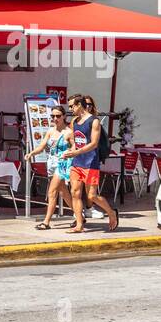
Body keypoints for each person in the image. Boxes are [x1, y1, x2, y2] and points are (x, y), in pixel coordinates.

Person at [59, 94, 118, 233]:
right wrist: (70, 151)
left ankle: (111, 212)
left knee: (91, 196)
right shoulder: (74, 121)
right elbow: (75, 142)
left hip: (90, 162)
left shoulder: (94, 121)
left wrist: (76, 152)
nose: (71, 109)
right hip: (76, 162)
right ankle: (79, 225)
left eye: (72, 106)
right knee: (75, 193)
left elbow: (93, 144)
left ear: (79, 105)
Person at [24, 105, 73, 229]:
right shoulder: (51, 131)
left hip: (62, 164)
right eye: (53, 116)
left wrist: (68, 153)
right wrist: (31, 153)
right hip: (51, 163)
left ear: (64, 116)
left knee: (52, 192)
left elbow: (75, 147)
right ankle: (80, 216)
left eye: (58, 116)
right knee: (64, 192)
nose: (55, 118)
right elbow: (42, 146)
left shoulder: (68, 132)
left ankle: (46, 222)